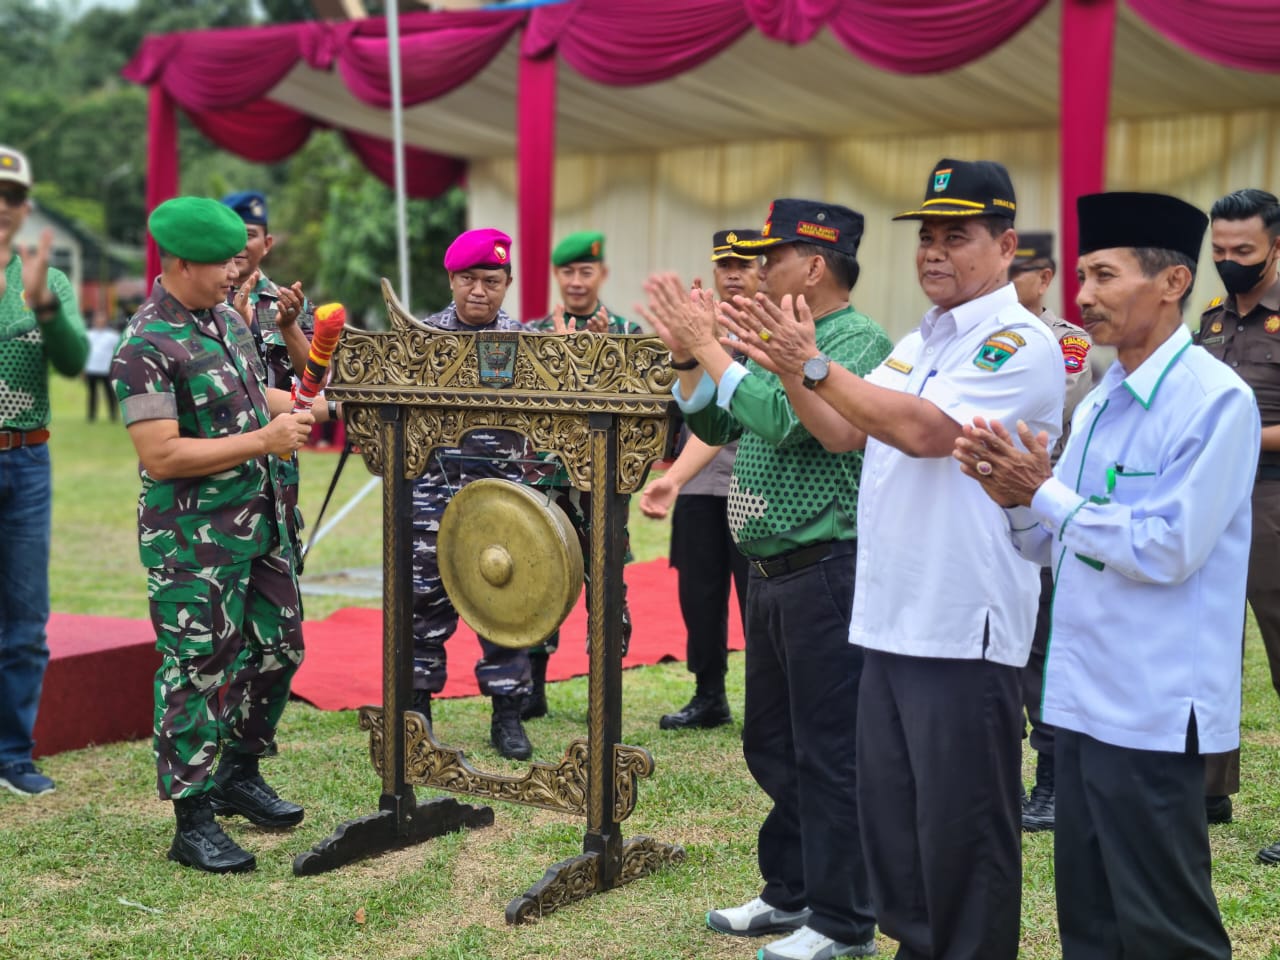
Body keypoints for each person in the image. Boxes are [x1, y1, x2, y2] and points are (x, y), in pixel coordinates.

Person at [722, 161, 1063, 960]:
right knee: (895, 825)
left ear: (1007, 245)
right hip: (890, 618)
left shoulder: (1020, 341)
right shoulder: (918, 340)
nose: (935, 251)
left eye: (959, 235)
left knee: (964, 832)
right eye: (928, 236)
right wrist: (786, 362)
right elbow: (844, 428)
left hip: (959, 624)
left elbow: (923, 431)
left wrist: (810, 365)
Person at [954, 190, 1254, 959]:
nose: (1083, 297)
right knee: (1089, 920)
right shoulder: (1098, 403)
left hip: (1153, 706)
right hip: (1080, 701)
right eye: (1082, 276)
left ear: (1173, 283)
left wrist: (1043, 493)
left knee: (1164, 928)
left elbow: (1167, 548)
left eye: (1105, 276)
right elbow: (1055, 544)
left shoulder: (1216, 401)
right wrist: (1014, 503)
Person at [644, 198, 891, 960]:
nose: (756, 270)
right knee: (772, 743)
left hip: (825, 569)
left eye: (772, 257)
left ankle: (844, 922)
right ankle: (791, 893)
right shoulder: (775, 335)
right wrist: (693, 356)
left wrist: (714, 350)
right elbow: (718, 423)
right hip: (773, 571)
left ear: (814, 266)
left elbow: (787, 420)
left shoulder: (857, 339)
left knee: (826, 750)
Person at [111, 197, 314, 872]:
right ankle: (192, 819)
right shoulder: (144, 345)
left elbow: (259, 397)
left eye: (239, 257)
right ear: (178, 261)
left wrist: (308, 404)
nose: (237, 270)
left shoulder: (224, 319)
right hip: (193, 543)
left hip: (261, 525)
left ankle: (238, 772)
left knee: (281, 650)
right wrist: (264, 437)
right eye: (224, 261)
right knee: (198, 670)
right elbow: (160, 454)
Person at [410, 227, 537, 761]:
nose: (479, 290)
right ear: (452, 279)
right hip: (430, 497)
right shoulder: (419, 341)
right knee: (419, 607)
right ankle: (415, 715)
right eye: (468, 279)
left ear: (507, 284)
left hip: (502, 499)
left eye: (491, 280)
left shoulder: (532, 347)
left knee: (506, 606)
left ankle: (508, 717)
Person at [640, 229, 757, 730]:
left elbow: (729, 416)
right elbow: (692, 404)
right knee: (699, 594)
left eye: (745, 264)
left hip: (754, 489)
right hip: (701, 486)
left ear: (764, 271)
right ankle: (709, 694)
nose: (733, 273)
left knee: (760, 599)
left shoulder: (772, 326)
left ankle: (771, 700)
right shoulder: (699, 320)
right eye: (724, 264)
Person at [522, 230, 642, 719]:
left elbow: (642, 407)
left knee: (607, 584)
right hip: (546, 481)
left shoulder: (630, 334)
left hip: (603, 485)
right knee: (538, 578)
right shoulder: (534, 333)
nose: (576, 281)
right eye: (568, 272)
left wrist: (598, 360)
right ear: (557, 276)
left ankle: (603, 692)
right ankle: (531, 687)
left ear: (602, 275)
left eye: (585, 271)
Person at [0, 144, 88, 798]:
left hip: (29, 457)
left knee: (26, 618)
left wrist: (44, 305)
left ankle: (12, 756)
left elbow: (74, 360)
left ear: (25, 208)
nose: (2, 209)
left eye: (11, 199)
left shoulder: (47, 280)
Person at [1196, 188, 1280, 839]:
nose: (1229, 261)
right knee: (1205, 646)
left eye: (1243, 250)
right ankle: (1208, 789)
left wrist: (1238, 430)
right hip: (1212, 499)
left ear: (1275, 246)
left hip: (1274, 499)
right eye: (1220, 250)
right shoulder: (1211, 319)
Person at [1007, 231, 1093, 832]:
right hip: (981, 512)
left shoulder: (1066, 343)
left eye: (1021, 273)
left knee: (1041, 650)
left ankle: (1052, 780)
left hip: (1039, 505)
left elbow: (1047, 417)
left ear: (1044, 279)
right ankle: (996, 776)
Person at [222, 191, 313, 571]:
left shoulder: (285, 300)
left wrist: (290, 326)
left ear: (267, 243)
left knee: (276, 577)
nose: (242, 244)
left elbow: (315, 378)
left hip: (278, 465)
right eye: (232, 232)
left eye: (251, 233)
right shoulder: (200, 300)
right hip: (221, 462)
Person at [84, 312, 120, 422]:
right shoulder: (88, 335)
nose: (100, 322)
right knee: (92, 393)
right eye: (98, 320)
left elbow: (117, 351)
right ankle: (91, 415)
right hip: (92, 368)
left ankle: (113, 414)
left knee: (109, 393)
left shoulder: (113, 336)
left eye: (102, 320)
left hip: (106, 369)